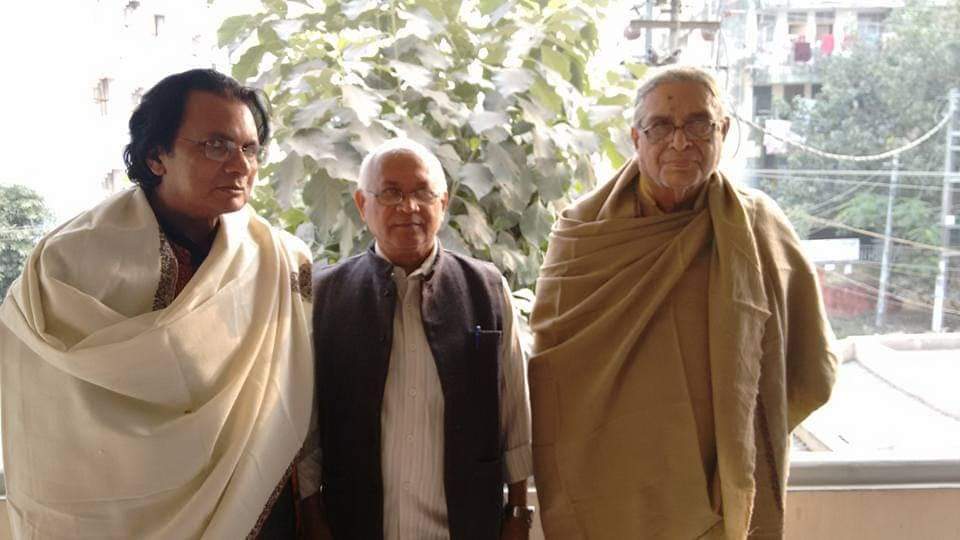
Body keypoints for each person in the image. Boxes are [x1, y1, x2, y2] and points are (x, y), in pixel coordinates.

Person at [0, 69, 314, 539]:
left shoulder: (280, 260)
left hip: (253, 502)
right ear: (155, 156)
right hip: (117, 515)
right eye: (216, 146)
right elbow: (47, 418)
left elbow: (294, 403)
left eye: (249, 149)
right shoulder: (70, 263)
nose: (239, 165)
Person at [527, 66, 838, 539]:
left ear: (723, 131)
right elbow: (554, 372)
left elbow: (809, 365)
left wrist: (743, 428)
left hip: (726, 476)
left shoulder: (759, 225)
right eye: (660, 126)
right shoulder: (585, 232)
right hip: (617, 483)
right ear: (636, 137)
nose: (680, 142)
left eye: (698, 124)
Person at [307, 138, 534, 539]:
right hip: (357, 524)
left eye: (423, 193)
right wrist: (311, 514)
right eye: (391, 192)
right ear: (362, 204)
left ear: (442, 204)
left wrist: (518, 513)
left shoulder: (486, 288)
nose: (408, 207)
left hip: (465, 526)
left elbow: (514, 409)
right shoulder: (325, 295)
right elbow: (306, 425)